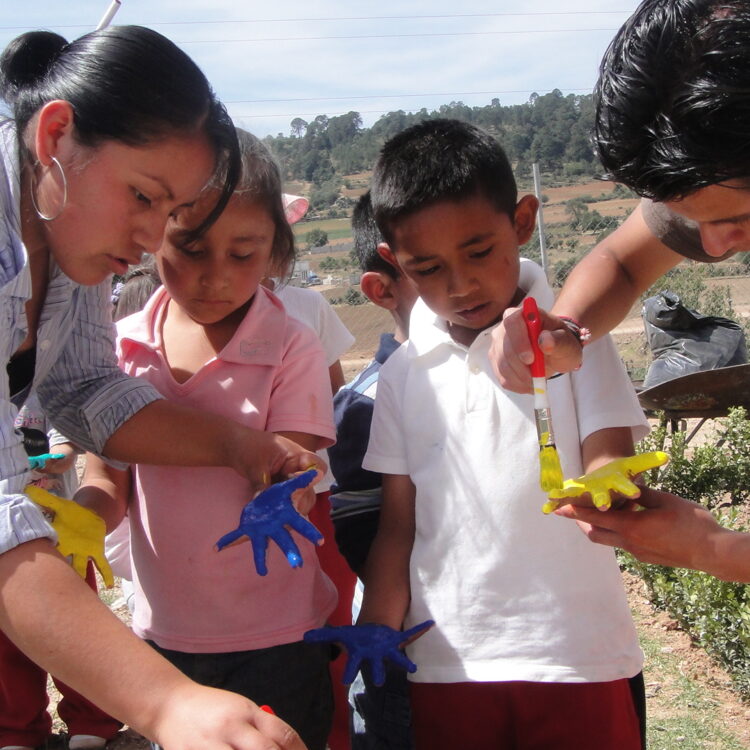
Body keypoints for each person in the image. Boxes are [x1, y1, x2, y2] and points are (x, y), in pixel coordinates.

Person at [0, 25, 313, 750]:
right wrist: (169, 704)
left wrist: (239, 446)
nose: (150, 238)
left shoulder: (68, 241)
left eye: (168, 213)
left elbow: (89, 392)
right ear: (55, 136)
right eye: (141, 196)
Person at [358, 119, 649, 749]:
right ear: (393, 262)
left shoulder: (575, 340)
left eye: (479, 251)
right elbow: (398, 527)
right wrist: (375, 625)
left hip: (576, 654)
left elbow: (609, 458)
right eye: (427, 268)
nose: (459, 285)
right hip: (449, 662)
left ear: (520, 223)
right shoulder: (403, 377)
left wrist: (608, 485)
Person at [77, 128, 337, 750]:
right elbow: (105, 480)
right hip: (166, 635)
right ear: (153, 231)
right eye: (191, 247)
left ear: (276, 249)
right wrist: (76, 523)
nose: (214, 277)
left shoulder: (292, 347)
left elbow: (294, 467)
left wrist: (283, 489)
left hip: (279, 635)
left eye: (243, 254)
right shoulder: (121, 351)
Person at [488, 0, 750, 584]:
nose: (714, 245)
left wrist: (717, 552)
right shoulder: (718, 170)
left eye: (735, 217)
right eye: (692, 218)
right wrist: (563, 331)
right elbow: (623, 263)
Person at [265, 196, 356, 750]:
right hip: (245, 501)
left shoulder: (306, 307)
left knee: (329, 609)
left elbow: (336, 388)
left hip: (311, 496)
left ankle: (336, 729)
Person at [328, 192, 417, 750]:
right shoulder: (362, 411)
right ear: (381, 289)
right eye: (429, 269)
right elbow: (355, 537)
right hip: (404, 653)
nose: (465, 287)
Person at [1, 393, 121, 750]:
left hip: (63, 536)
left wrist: (55, 460)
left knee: (76, 630)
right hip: (6, 544)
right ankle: (17, 728)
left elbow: (66, 445)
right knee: (9, 639)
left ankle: (93, 718)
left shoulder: (42, 386)